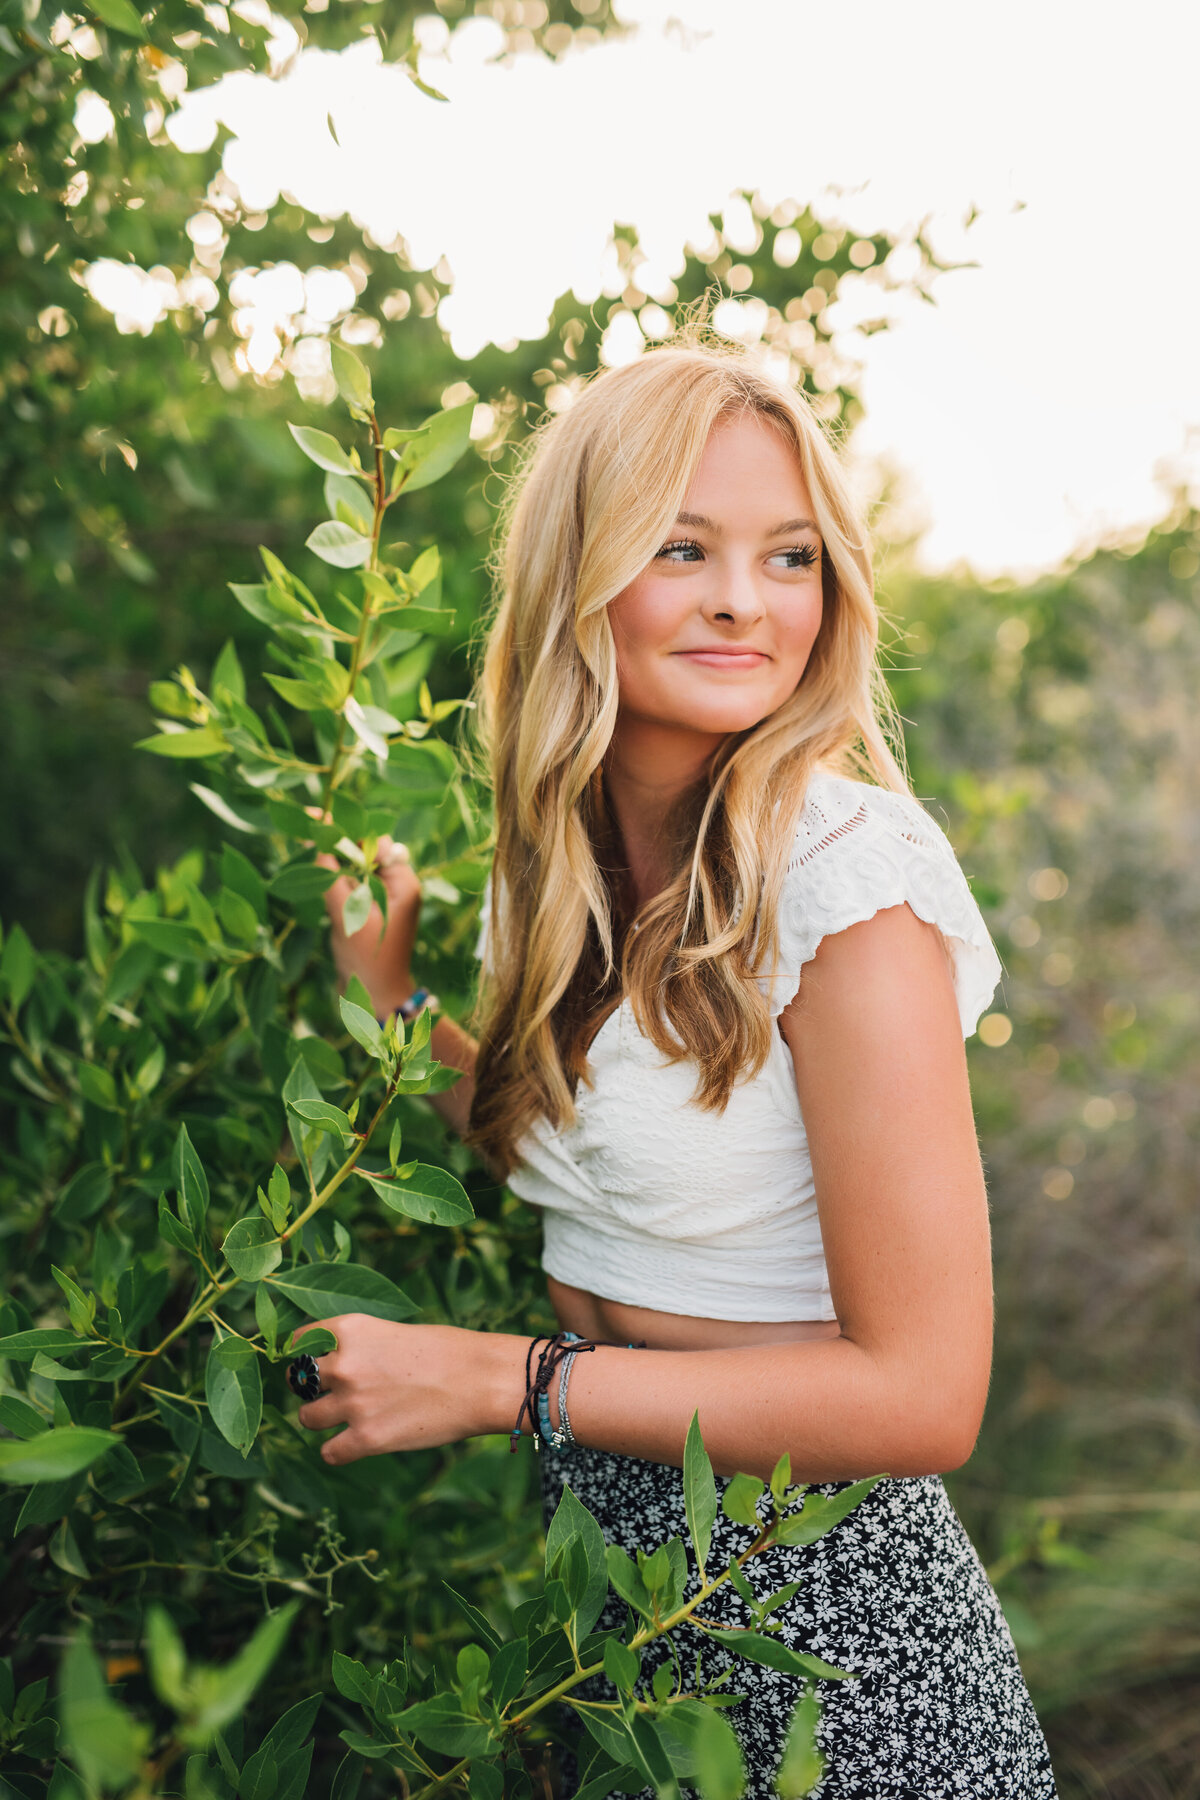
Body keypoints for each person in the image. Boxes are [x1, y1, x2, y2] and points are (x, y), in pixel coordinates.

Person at [295, 337, 1057, 1798]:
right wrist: (387, 1005)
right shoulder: (562, 862)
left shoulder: (851, 884)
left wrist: (505, 1380)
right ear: (580, 570)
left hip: (842, 1643)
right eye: (680, 546)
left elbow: (924, 1397)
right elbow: (575, 1147)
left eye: (789, 556)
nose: (740, 601)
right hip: (620, 1619)